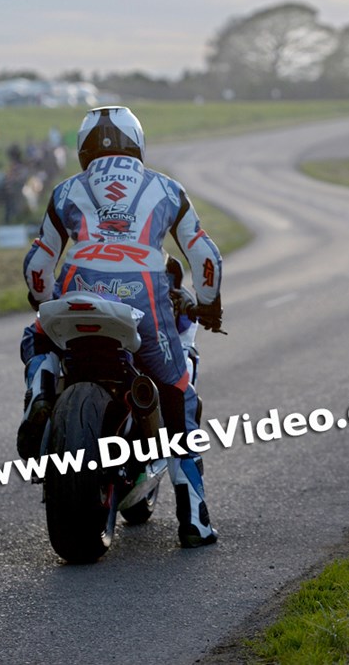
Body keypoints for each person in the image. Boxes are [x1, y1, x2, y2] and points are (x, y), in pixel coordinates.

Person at [16, 106, 224, 549]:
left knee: (36, 336)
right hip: (144, 300)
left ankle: (41, 393)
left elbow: (37, 264)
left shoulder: (66, 190)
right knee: (178, 394)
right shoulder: (167, 189)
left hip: (77, 292)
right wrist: (209, 305)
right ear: (138, 145)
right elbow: (206, 257)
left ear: (82, 150)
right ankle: (195, 521)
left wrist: (45, 301)